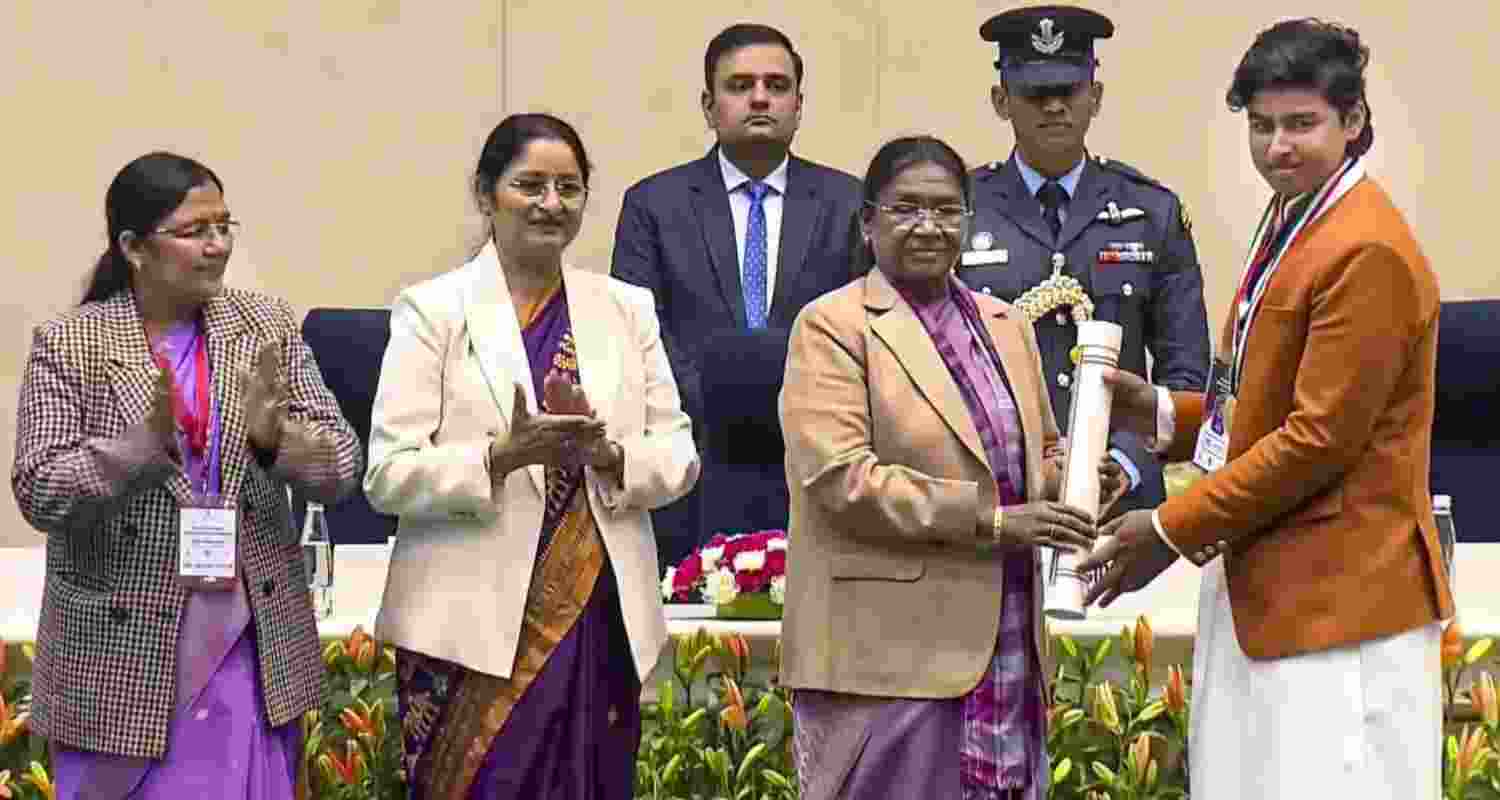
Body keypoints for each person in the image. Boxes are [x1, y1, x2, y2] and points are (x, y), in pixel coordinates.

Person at [1079, 19, 1453, 799]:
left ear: (1353, 123)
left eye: (1301, 124)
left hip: (1339, 606)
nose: (1278, 146)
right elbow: (1260, 397)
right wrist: (1160, 414)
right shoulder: (1295, 214)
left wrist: (1166, 528)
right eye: (1261, 125)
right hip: (1268, 584)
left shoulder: (1365, 246)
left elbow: (1319, 440)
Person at [364, 113, 699, 799]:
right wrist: (499, 456)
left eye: (569, 188)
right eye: (531, 185)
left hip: (594, 618)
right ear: (486, 194)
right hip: (464, 631)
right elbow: (388, 472)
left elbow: (678, 455)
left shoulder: (625, 309)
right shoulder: (433, 310)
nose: (552, 203)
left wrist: (608, 454)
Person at [11, 151, 363, 799]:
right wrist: (133, 451)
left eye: (225, 227)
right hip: (123, 657)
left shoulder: (266, 325)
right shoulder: (73, 342)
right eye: (195, 230)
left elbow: (342, 463)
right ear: (134, 247)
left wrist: (275, 439)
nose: (217, 245)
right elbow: (39, 487)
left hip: (246, 640)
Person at [779, 135, 1122, 800]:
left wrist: (1076, 481)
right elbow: (843, 481)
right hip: (887, 660)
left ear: (968, 221)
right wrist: (996, 521)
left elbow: (1037, 457)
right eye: (906, 208)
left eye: (946, 209)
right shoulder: (831, 327)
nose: (928, 225)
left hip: (1007, 645)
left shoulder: (1004, 323)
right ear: (868, 222)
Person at [611, 23, 863, 567]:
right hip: (693, 460)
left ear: (799, 103)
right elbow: (636, 331)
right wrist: (721, 395)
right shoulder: (653, 205)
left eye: (777, 84)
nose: (759, 98)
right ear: (708, 105)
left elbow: (867, 328)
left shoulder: (850, 204)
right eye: (739, 84)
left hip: (819, 463)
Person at [964, 5, 1210, 519]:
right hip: (1001, 496)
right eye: (1035, 94)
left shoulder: (1152, 212)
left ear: (1094, 97)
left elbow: (1185, 376)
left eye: (1069, 92)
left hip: (1122, 503)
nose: (1054, 107)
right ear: (1000, 101)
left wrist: (1128, 461)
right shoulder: (961, 209)